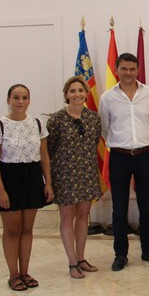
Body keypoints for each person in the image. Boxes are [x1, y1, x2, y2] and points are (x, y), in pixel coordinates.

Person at [99, 52, 149, 271]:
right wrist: (121, 142)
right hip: (119, 156)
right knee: (119, 208)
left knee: (147, 206)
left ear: (138, 70)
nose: (128, 73)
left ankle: (148, 249)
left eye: (132, 69)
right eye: (124, 69)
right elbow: (105, 127)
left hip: (145, 155)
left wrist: (143, 141)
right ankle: (120, 254)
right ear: (117, 70)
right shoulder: (108, 97)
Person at [0, 84, 53, 291]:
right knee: (12, 229)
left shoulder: (38, 124)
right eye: (16, 97)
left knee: (27, 229)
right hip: (9, 179)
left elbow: (44, 156)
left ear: (29, 100)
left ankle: (25, 272)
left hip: (32, 177)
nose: (20, 101)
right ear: (8, 99)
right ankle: (13, 275)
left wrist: (48, 183)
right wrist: (0, 190)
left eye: (25, 97)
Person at [47, 76, 103, 279]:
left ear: (86, 94)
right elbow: (49, 149)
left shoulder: (94, 118)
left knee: (83, 216)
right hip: (64, 175)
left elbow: (94, 142)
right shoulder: (56, 120)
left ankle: (81, 258)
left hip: (87, 173)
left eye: (80, 90)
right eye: (72, 91)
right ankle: (71, 262)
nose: (77, 94)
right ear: (66, 95)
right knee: (67, 217)